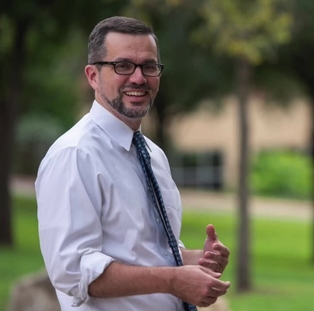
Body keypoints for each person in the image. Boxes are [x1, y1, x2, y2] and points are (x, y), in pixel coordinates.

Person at [36, 16, 231, 310]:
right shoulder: (75, 155)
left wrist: (197, 259)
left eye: (149, 66)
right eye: (123, 65)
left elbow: (148, 252)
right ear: (92, 75)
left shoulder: (153, 155)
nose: (139, 78)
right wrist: (173, 280)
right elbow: (74, 271)